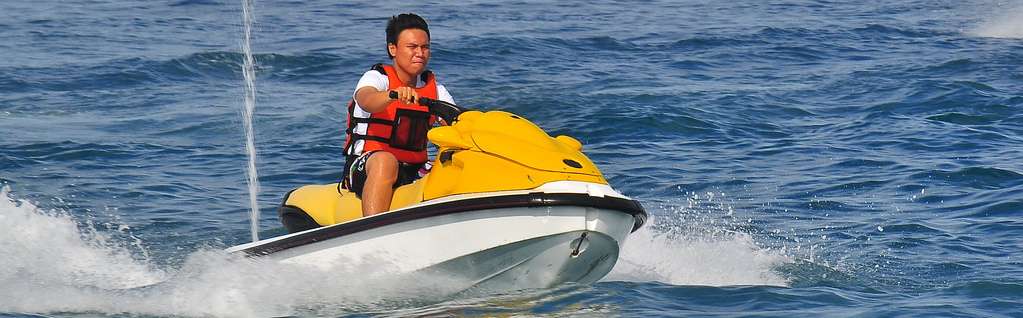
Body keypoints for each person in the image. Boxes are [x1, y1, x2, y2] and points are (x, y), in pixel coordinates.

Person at [341, 13, 455, 217]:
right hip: (366, 167)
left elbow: (456, 125)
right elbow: (366, 99)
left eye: (425, 47)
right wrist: (392, 95)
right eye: (412, 47)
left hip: (415, 168)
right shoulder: (377, 78)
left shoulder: (437, 91)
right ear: (392, 49)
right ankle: (373, 231)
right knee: (386, 161)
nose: (420, 53)